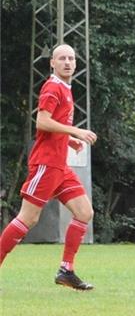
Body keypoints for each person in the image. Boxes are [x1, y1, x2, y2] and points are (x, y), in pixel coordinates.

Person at [0, 44, 98, 290]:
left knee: (84, 212)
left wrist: (69, 140)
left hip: (59, 166)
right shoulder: (53, 86)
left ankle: (66, 270)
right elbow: (42, 121)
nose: (67, 62)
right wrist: (75, 130)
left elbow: (55, 125)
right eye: (62, 58)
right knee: (28, 218)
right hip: (45, 164)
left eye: (71, 58)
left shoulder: (66, 88)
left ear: (76, 63)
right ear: (52, 63)